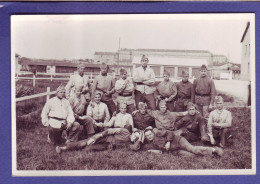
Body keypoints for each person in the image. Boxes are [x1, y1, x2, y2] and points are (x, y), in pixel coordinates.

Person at [55, 103, 132, 153]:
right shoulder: (124, 130)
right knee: (86, 142)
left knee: (88, 148)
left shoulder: (128, 139)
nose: (123, 109)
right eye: (122, 108)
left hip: (108, 144)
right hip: (104, 138)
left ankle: (74, 148)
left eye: (125, 108)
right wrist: (96, 137)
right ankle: (63, 148)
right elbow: (108, 131)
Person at [130, 127, 224, 157]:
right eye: (147, 136)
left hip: (178, 141)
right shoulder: (145, 143)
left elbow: (170, 132)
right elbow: (134, 148)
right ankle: (210, 154)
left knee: (193, 149)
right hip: (174, 151)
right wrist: (139, 139)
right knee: (192, 156)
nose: (150, 136)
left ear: (152, 133)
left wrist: (168, 141)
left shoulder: (157, 132)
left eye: (150, 134)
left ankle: (214, 149)